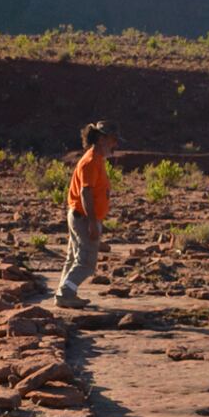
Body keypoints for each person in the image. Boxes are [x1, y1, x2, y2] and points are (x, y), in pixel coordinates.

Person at [56, 121, 120, 307]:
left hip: (79, 216)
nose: (115, 144)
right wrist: (92, 222)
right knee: (86, 263)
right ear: (101, 139)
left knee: (73, 259)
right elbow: (86, 192)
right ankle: (66, 293)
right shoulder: (91, 161)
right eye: (113, 140)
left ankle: (63, 294)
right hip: (83, 218)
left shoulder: (97, 159)